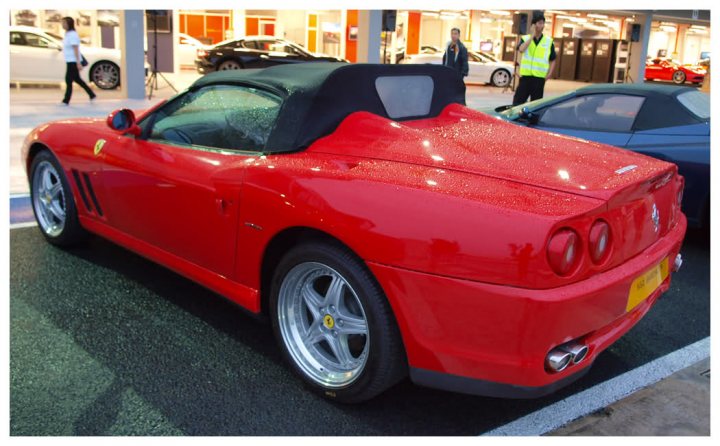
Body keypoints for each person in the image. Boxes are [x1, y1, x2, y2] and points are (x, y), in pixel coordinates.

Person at [512, 11, 556, 106]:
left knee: (535, 106)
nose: (542, 25)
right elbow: (521, 49)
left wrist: (549, 74)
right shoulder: (525, 39)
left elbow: (553, 59)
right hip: (526, 78)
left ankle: (532, 121)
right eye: (539, 23)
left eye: (543, 23)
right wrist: (532, 36)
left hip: (539, 79)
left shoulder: (548, 41)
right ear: (533, 25)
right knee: (517, 103)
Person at [61, 16, 95, 105]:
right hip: (69, 60)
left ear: (69, 24)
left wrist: (78, 62)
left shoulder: (72, 34)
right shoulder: (67, 34)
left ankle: (66, 100)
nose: (63, 25)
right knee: (77, 79)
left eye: (64, 23)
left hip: (73, 61)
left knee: (68, 80)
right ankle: (91, 94)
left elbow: (76, 49)